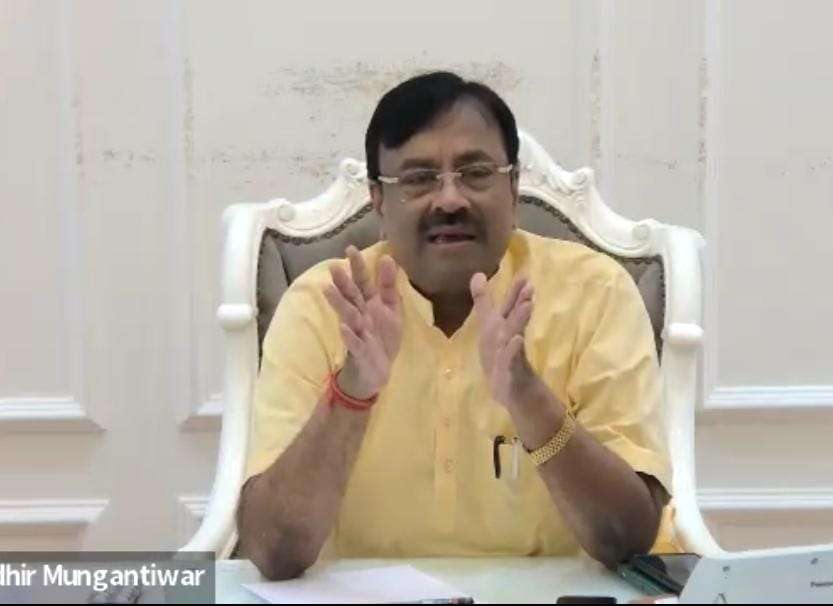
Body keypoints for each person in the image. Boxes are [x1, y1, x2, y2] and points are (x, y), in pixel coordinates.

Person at [237, 71, 674, 580]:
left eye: (476, 172)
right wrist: (351, 393)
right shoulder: (327, 304)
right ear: (378, 200)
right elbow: (271, 551)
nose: (450, 199)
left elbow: (628, 538)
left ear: (514, 187)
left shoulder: (594, 292)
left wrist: (529, 398)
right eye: (419, 178)